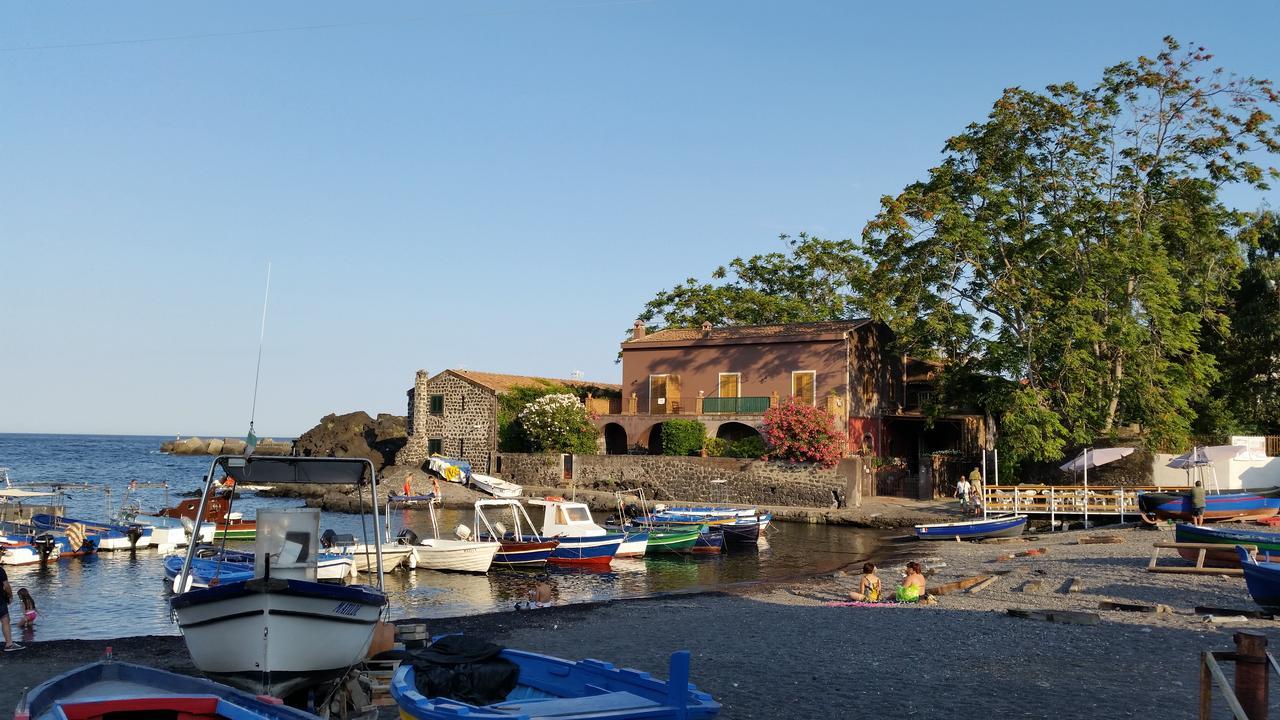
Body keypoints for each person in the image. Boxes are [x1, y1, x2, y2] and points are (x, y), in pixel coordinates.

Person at [0, 565, 23, 651]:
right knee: (5, 619)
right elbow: (6, 586)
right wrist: (10, 596)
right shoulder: (0, 570)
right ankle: (9, 644)